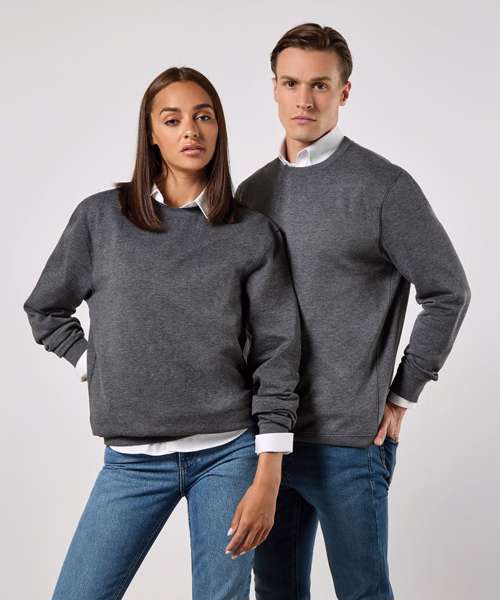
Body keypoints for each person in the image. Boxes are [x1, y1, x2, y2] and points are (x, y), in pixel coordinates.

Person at [23, 66, 301, 600]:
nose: (190, 130)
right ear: (151, 133)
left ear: (218, 128)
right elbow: (46, 308)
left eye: (203, 117)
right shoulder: (102, 219)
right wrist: (93, 363)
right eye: (172, 119)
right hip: (131, 462)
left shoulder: (251, 233)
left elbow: (277, 352)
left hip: (228, 454)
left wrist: (268, 474)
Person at [236, 23, 471, 600]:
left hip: (350, 442)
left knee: (363, 593)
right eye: (291, 83)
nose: (304, 99)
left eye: (320, 84)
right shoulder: (251, 194)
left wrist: (402, 393)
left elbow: (448, 291)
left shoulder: (384, 187)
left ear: (343, 91)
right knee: (275, 592)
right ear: (273, 89)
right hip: (267, 443)